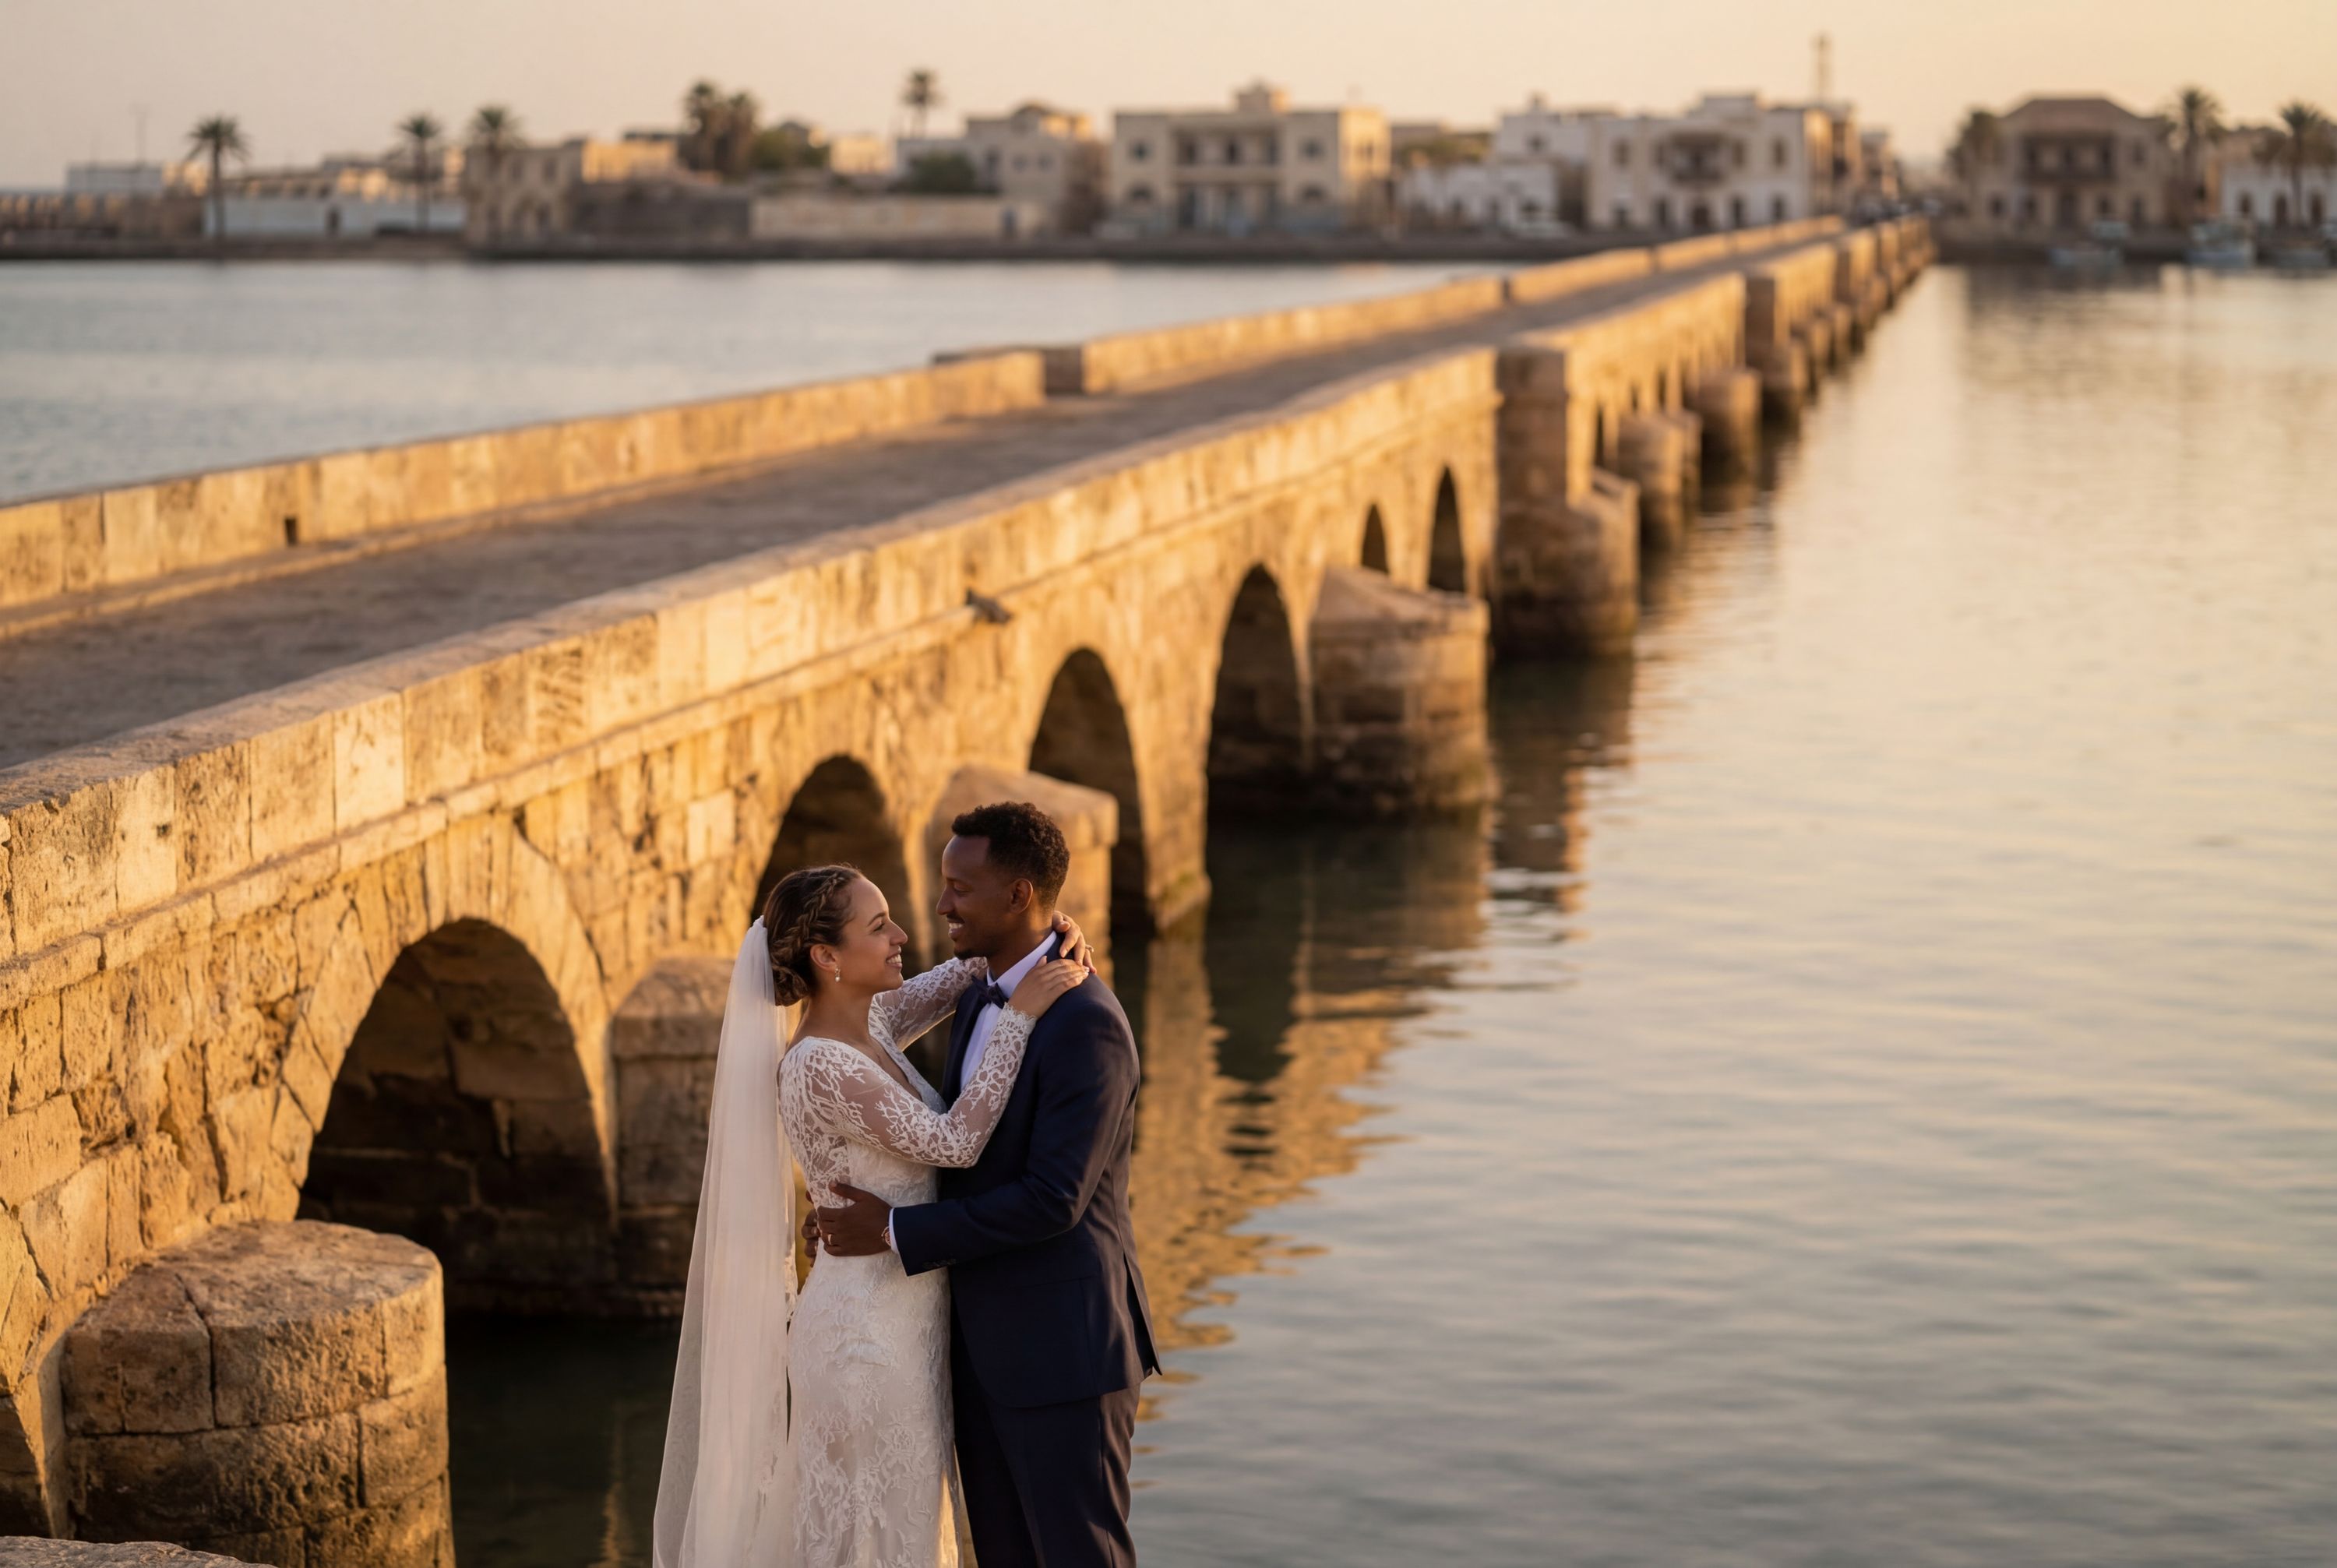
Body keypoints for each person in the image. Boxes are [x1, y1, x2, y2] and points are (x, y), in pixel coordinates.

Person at [651, 854, 1089, 1568]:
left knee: (894, 1531)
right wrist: (1021, 1016)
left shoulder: (874, 1019)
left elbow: (967, 972)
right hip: (864, 1340)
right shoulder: (819, 1064)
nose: (902, 935)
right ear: (828, 957)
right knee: (873, 1537)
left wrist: (1048, 929)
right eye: (879, 925)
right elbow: (955, 1141)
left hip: (905, 1321)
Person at [817, 801, 1161, 1568]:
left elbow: (1053, 1198)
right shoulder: (978, 991)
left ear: (1017, 895)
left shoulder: (1087, 1023)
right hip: (977, 1350)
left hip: (1064, 1353)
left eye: (959, 888)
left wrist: (893, 1229)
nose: (940, 904)